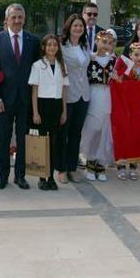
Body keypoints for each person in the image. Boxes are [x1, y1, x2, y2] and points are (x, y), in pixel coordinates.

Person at [0, 3, 40, 190]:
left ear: (24, 19)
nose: (17, 21)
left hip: (26, 99)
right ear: (7, 20)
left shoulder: (33, 40)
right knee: (4, 138)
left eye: (20, 17)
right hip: (4, 99)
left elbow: (37, 70)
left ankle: (20, 176)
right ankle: (3, 176)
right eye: (13, 17)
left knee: (23, 139)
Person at [29, 34, 68, 191]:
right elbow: (34, 90)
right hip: (42, 105)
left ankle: (51, 177)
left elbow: (64, 90)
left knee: (53, 142)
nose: (52, 47)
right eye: (49, 45)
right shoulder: (38, 65)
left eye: (55, 45)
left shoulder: (62, 65)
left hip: (56, 106)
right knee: (42, 143)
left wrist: (64, 111)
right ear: (44, 47)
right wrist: (35, 112)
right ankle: (41, 177)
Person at [81, 29, 117, 181]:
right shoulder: (90, 58)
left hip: (106, 94)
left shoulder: (113, 60)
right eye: (103, 42)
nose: (106, 45)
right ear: (96, 41)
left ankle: (100, 163)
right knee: (92, 127)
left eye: (109, 43)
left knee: (104, 128)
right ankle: (90, 161)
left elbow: (119, 77)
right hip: (93, 93)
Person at [113, 42, 140, 180]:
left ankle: (133, 166)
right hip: (126, 106)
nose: (139, 58)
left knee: (136, 136)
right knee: (124, 135)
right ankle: (121, 166)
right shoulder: (126, 68)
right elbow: (118, 84)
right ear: (130, 55)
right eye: (136, 55)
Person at [59, 14, 90, 183]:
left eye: (81, 26)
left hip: (83, 95)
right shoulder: (62, 46)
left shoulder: (85, 46)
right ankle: (62, 168)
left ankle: (72, 167)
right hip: (67, 94)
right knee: (63, 133)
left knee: (76, 134)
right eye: (75, 25)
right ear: (69, 27)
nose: (78, 28)